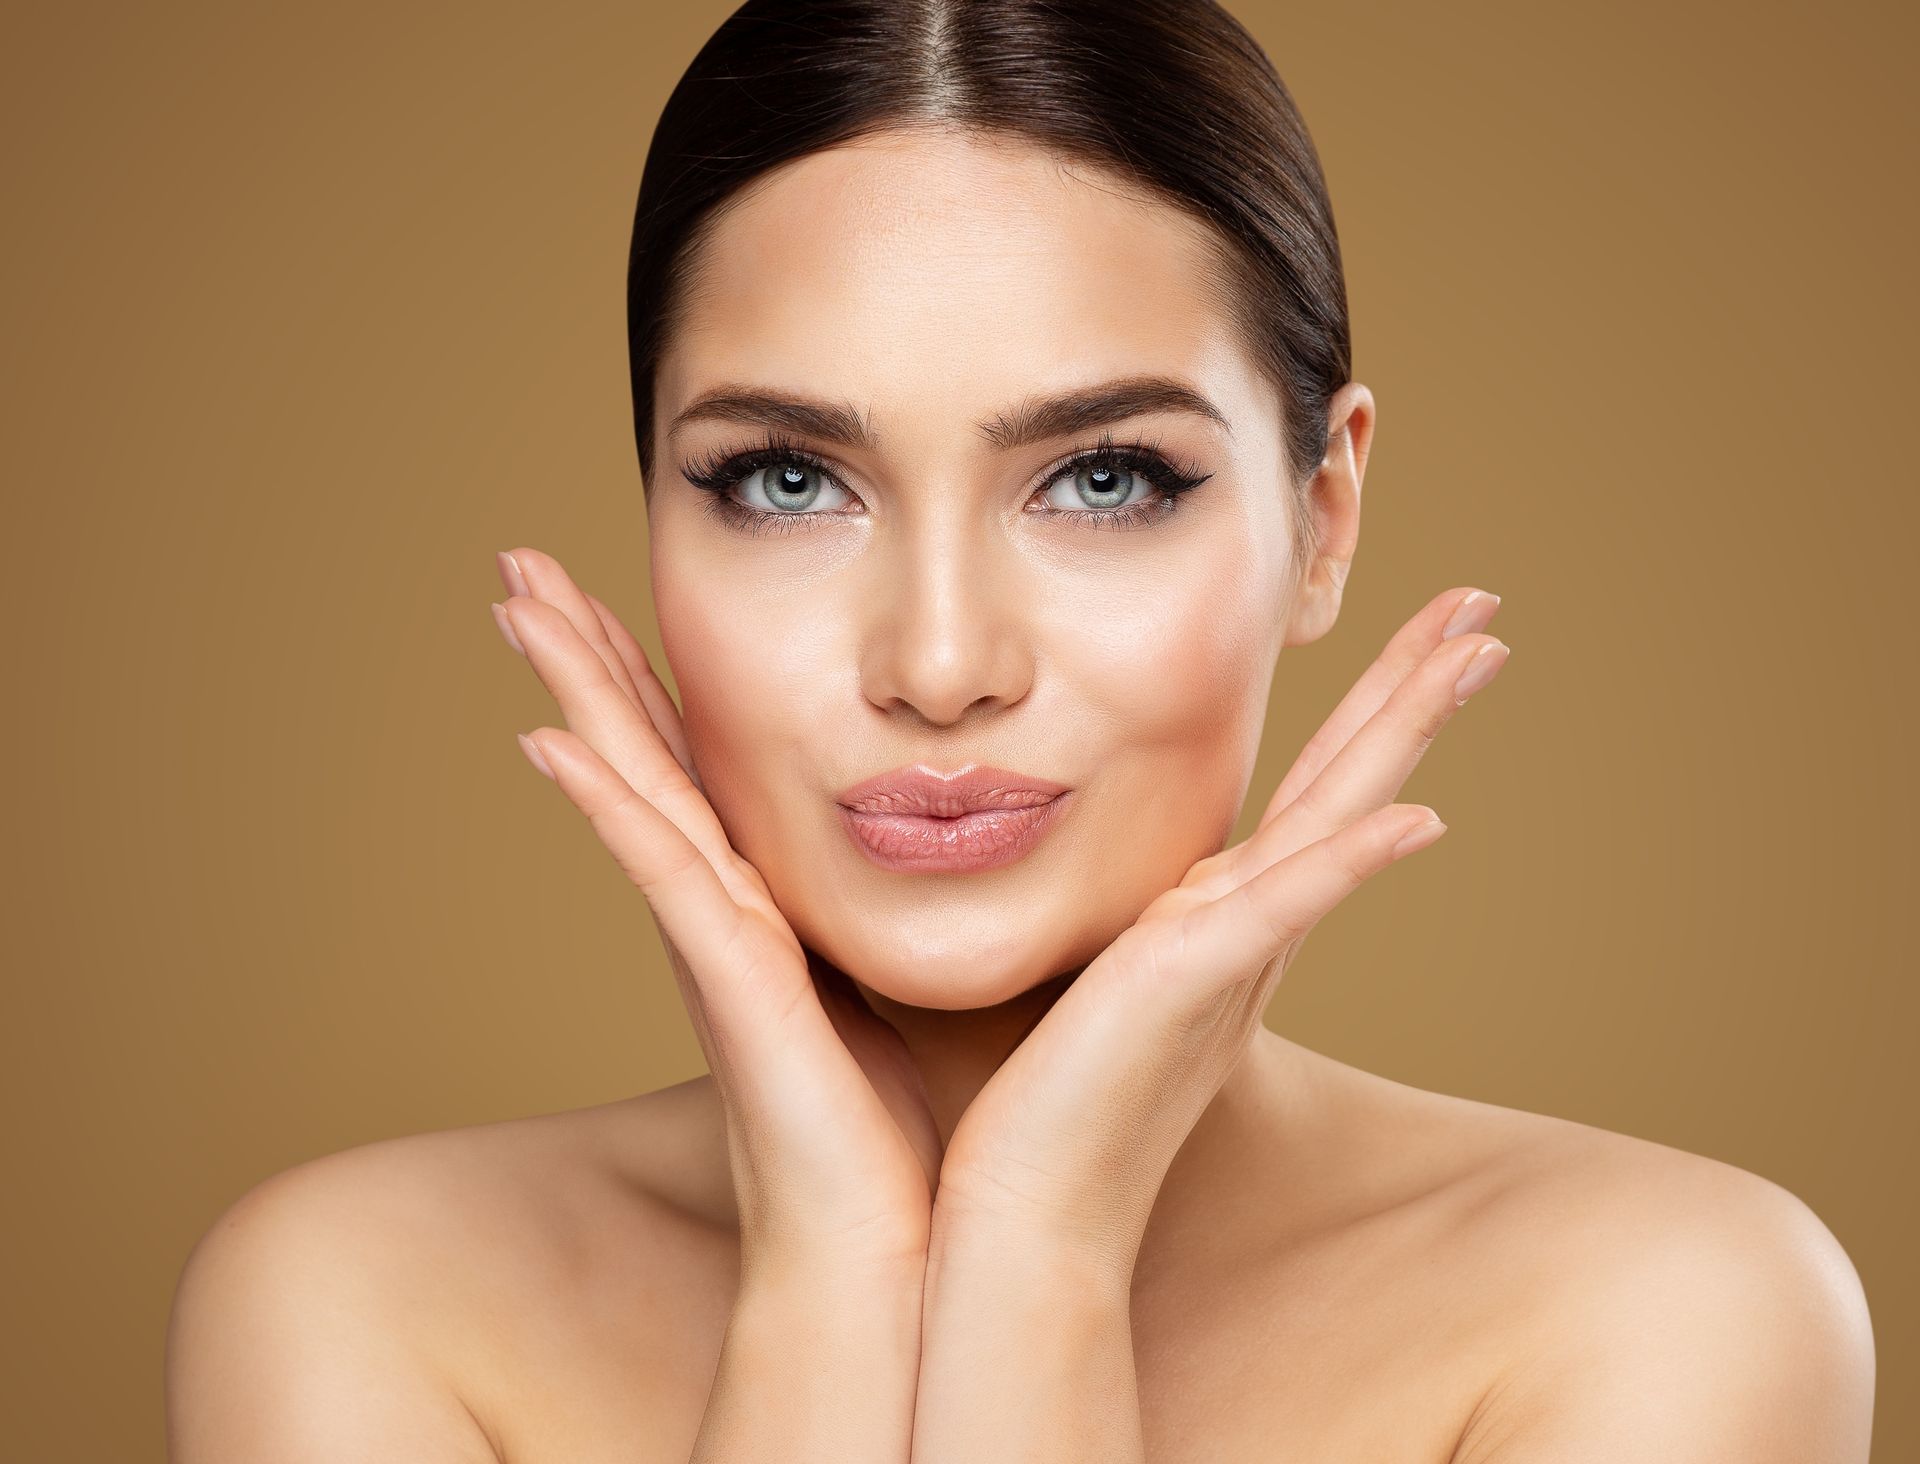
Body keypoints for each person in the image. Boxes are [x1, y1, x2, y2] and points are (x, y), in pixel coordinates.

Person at [164, 1, 1875, 1459]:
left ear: (1325, 515)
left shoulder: (1661, 1311)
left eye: (1104, 479)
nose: (938, 659)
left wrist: (1038, 1255)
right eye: (786, 480)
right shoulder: (366, 1303)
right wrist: (832, 1275)